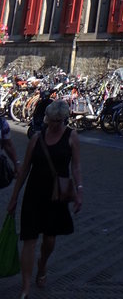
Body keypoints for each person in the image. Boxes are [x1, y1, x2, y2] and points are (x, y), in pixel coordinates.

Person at [6, 99, 82, 298]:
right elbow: (24, 172)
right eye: (50, 120)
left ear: (63, 120)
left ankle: (43, 264)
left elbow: (75, 166)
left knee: (49, 240)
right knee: (29, 239)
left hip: (56, 195)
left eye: (56, 121)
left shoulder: (71, 137)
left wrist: (79, 190)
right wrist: (14, 198)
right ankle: (26, 288)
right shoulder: (36, 139)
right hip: (34, 193)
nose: (51, 124)